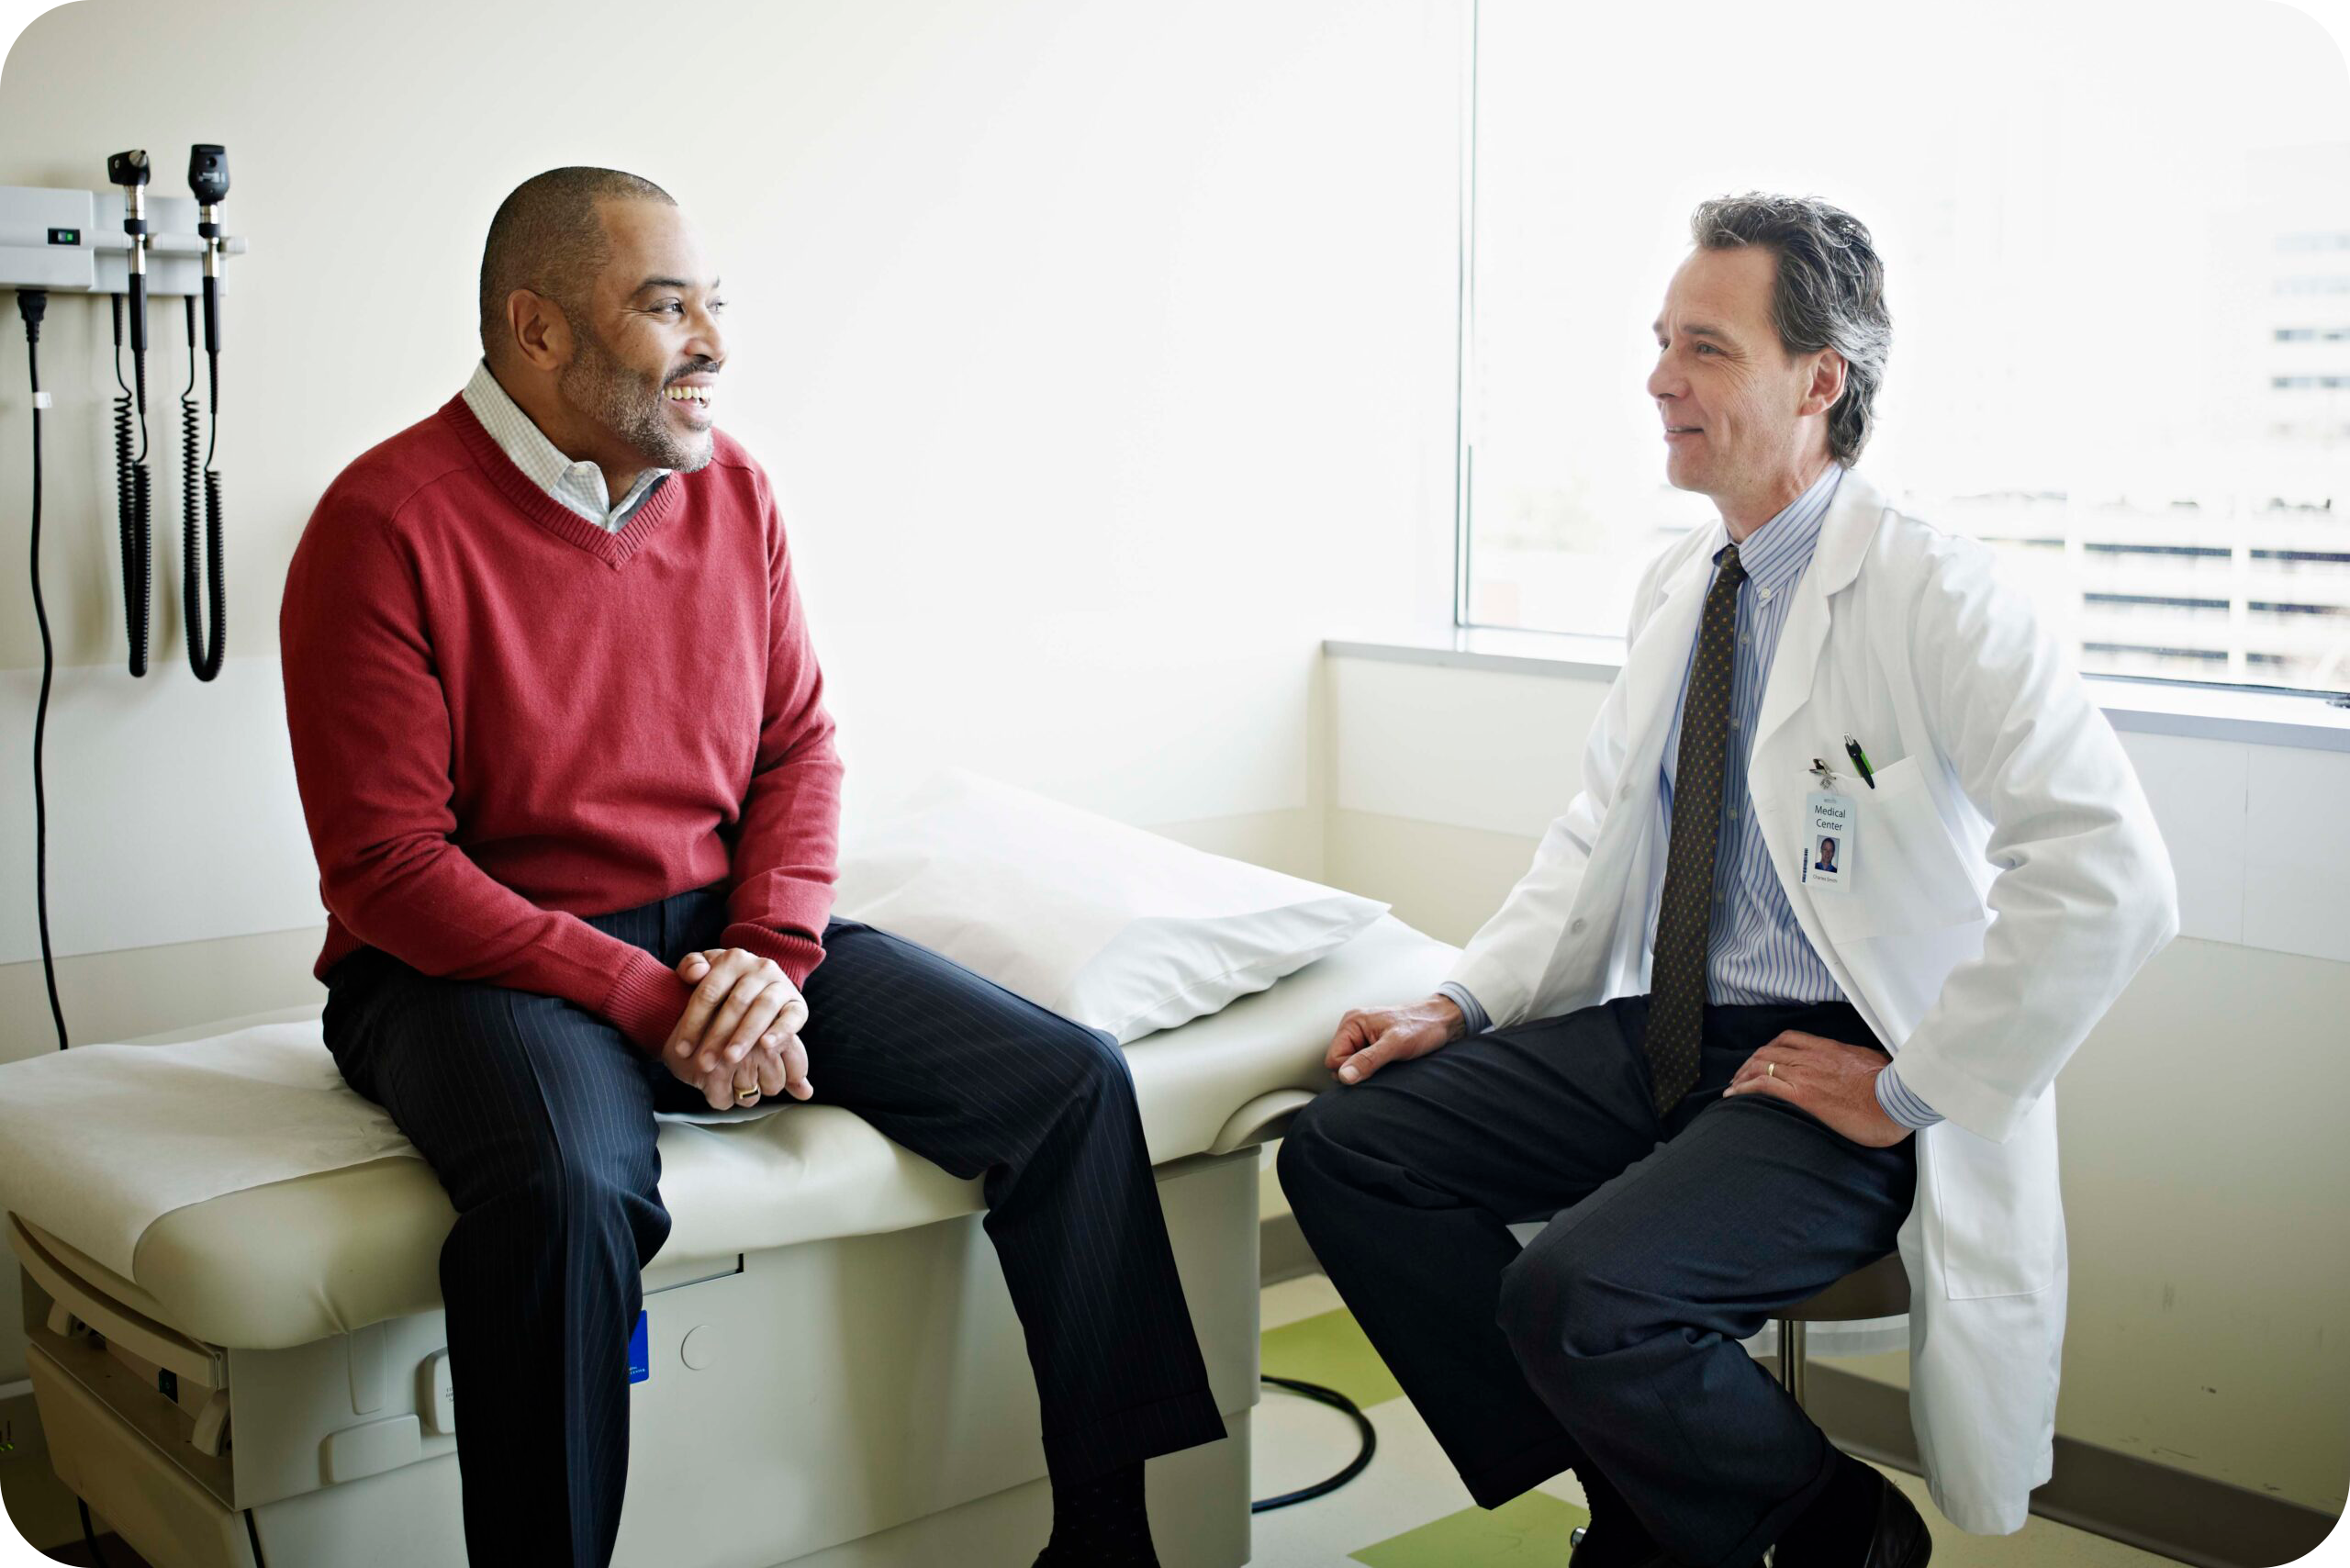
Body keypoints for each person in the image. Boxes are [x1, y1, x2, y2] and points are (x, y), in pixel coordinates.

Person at [279, 166, 1222, 1568]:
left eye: (715, 304)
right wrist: (649, 1000)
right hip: (469, 965)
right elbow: (388, 869)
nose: (713, 343)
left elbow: (800, 749)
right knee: (570, 1194)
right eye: (668, 308)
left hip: (719, 937)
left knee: (1072, 1084)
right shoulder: (385, 521)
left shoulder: (734, 496)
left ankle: (1106, 1541)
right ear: (537, 332)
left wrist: (770, 964)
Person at [1278, 193, 2177, 1568]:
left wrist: (1909, 1088)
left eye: (1704, 347)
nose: (1658, 379)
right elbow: (1594, 837)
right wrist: (1458, 1002)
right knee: (1347, 1147)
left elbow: (2111, 873)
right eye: (1660, 342)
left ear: (1822, 380)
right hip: (1673, 1032)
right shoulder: (1681, 587)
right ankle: (1679, 1499)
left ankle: (1824, 1525)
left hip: (1843, 1062)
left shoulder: (1940, 594)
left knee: (1575, 1295)